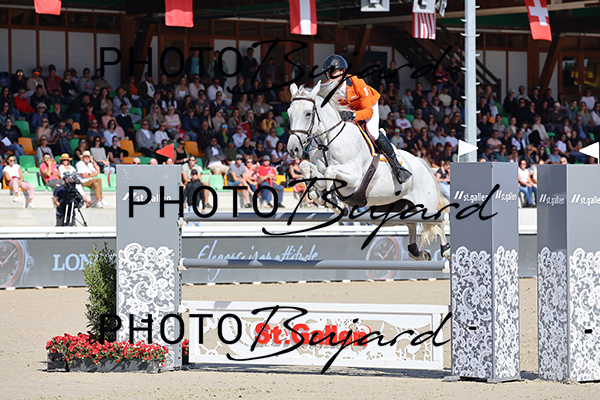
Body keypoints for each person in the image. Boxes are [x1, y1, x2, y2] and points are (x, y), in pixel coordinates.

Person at [322, 54, 410, 186]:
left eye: (333, 71)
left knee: (372, 132)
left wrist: (352, 116)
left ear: (342, 71)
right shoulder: (325, 86)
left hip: (369, 106)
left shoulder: (357, 82)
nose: (330, 75)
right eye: (328, 72)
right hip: (349, 110)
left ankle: (398, 167)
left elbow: (368, 112)